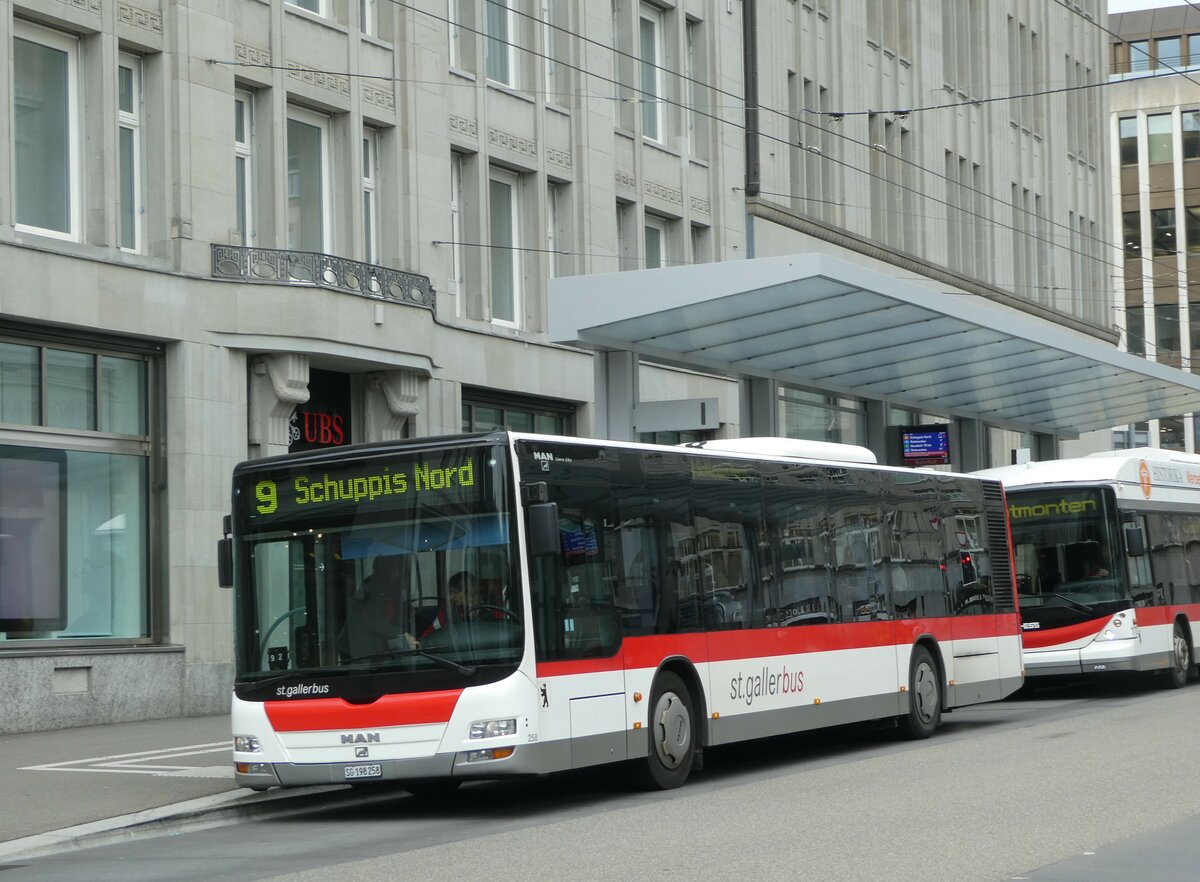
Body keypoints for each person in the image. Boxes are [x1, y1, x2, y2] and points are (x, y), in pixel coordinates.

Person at [342, 555, 417, 658]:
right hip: (363, 656)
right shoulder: (368, 589)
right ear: (383, 570)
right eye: (394, 571)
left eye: (399, 571)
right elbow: (373, 619)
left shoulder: (392, 590)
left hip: (384, 652)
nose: (397, 575)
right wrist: (401, 634)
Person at [421, 571, 476, 639]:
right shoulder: (446, 613)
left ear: (468, 592)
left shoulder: (489, 612)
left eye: (455, 593)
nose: (451, 597)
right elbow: (427, 635)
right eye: (450, 593)